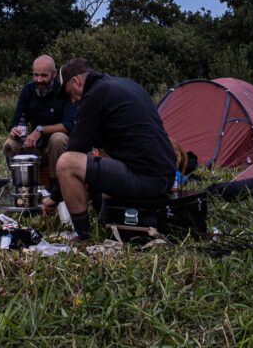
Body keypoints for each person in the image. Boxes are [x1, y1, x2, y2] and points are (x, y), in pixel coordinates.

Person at [44, 58, 176, 240]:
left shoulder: (95, 95)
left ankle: (83, 236)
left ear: (76, 82)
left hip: (146, 179)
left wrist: (54, 197)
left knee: (66, 164)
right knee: (104, 151)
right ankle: (106, 220)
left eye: (70, 94)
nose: (73, 101)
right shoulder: (125, 85)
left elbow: (75, 148)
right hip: (166, 176)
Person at [3, 55, 77, 187]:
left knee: (58, 138)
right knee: (10, 144)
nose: (39, 80)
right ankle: (22, 187)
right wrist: (14, 130)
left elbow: (70, 125)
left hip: (58, 149)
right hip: (35, 147)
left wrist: (40, 130)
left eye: (44, 75)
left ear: (54, 73)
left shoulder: (63, 91)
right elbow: (17, 120)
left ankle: (56, 189)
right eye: (36, 75)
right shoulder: (28, 91)